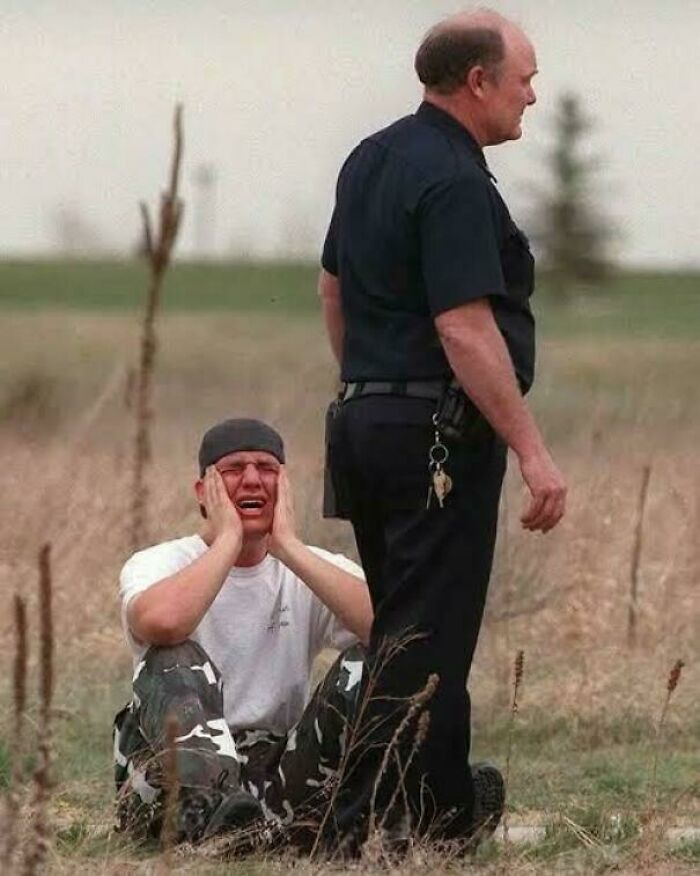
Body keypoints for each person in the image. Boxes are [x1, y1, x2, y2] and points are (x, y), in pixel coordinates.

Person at [319, 8, 567, 847]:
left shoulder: (369, 158)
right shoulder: (455, 179)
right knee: (426, 638)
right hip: (437, 434)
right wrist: (532, 451)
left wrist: (371, 386)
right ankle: (356, 832)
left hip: (364, 420)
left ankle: (443, 815)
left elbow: (332, 289)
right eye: (525, 79)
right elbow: (464, 327)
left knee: (411, 623)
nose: (532, 96)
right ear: (479, 81)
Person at [112, 417, 373, 846]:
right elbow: (163, 623)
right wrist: (229, 540)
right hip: (173, 778)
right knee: (174, 654)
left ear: (284, 486)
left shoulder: (306, 567)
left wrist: (288, 548)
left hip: (275, 774)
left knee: (373, 664)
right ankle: (214, 816)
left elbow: (391, 633)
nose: (252, 480)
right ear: (203, 491)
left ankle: (430, 799)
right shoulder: (159, 562)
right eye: (233, 469)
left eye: (266, 469)